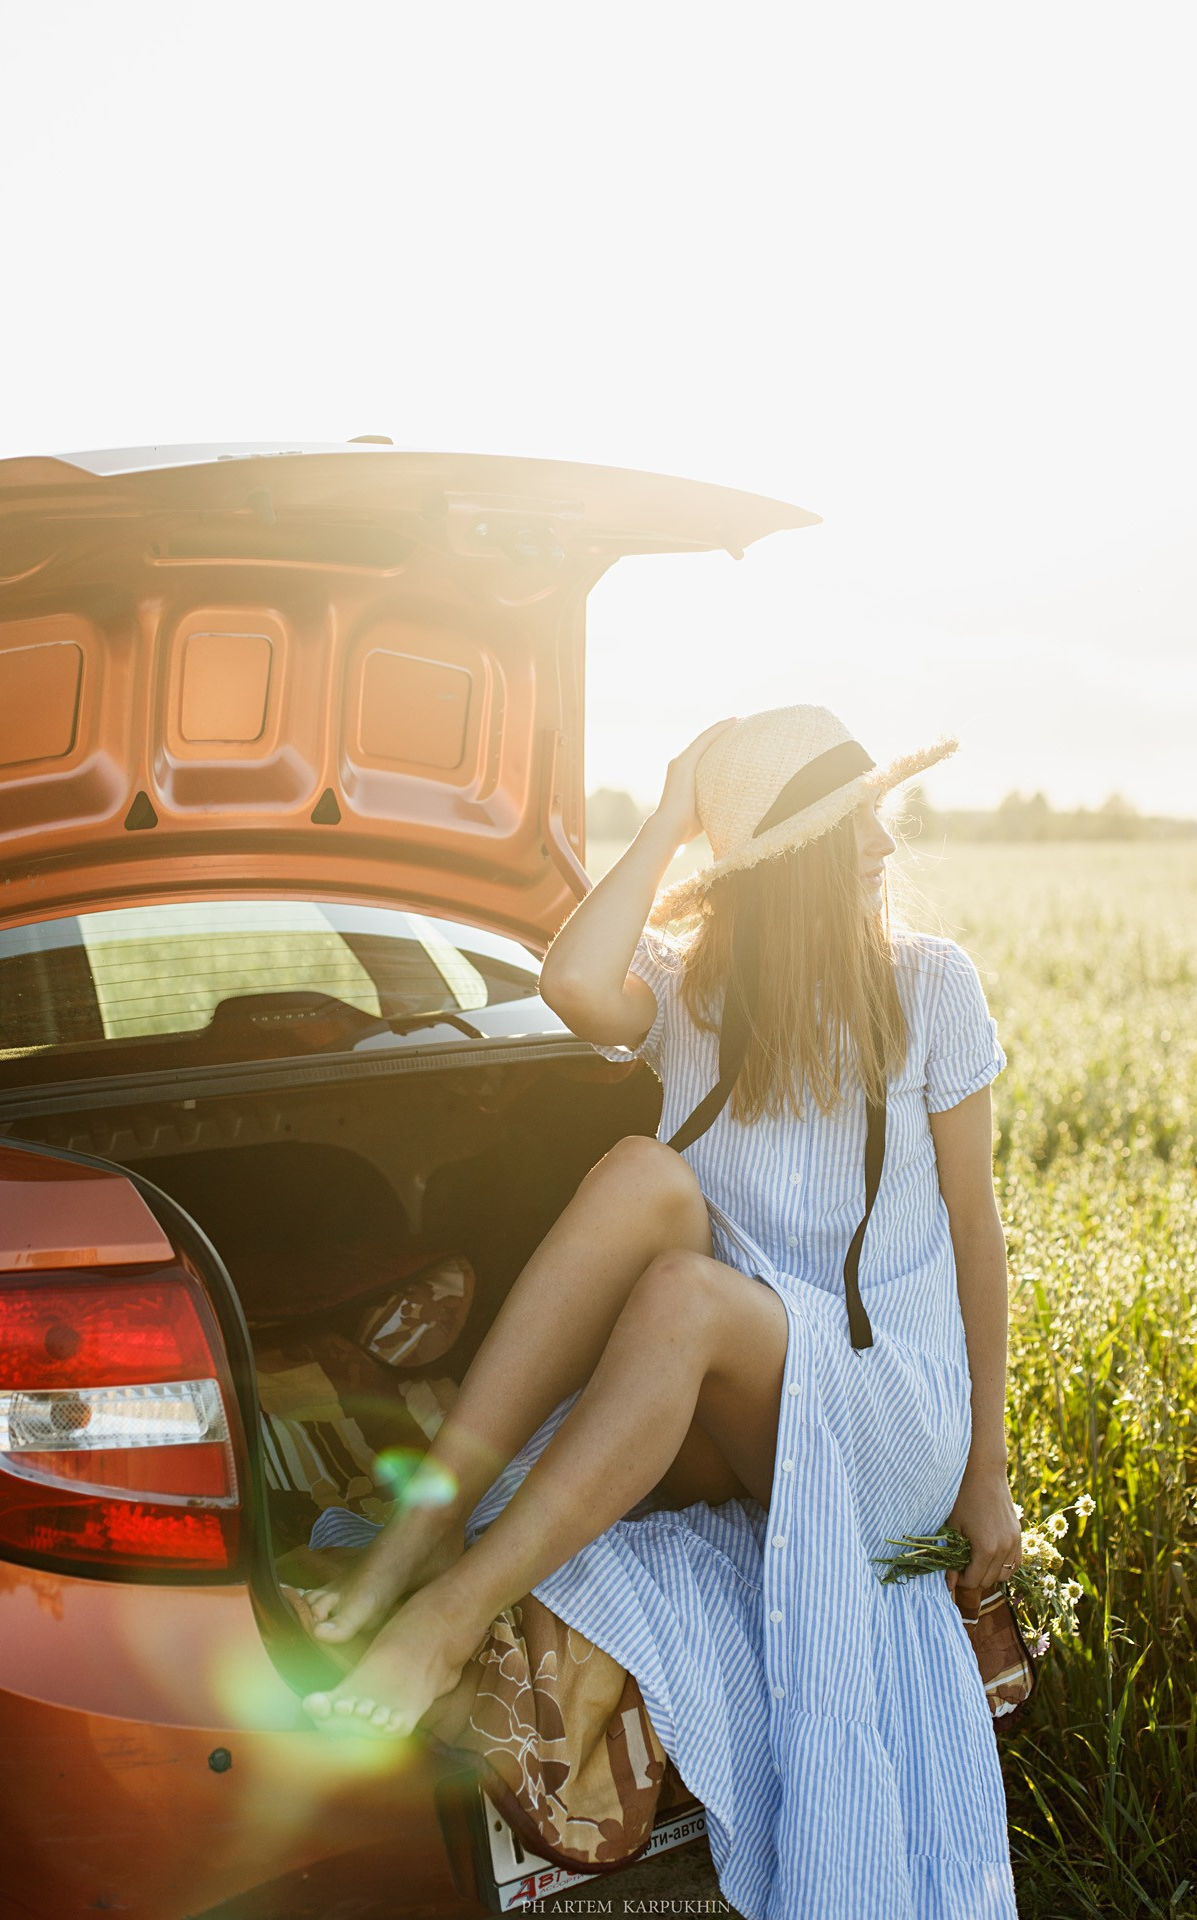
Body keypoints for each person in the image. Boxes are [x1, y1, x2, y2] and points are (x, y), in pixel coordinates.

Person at [300, 704, 1022, 1920]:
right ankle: (430, 1525)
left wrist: (985, 1467)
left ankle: (445, 1607)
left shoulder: (926, 987)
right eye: (851, 827)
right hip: (736, 1401)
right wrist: (681, 804)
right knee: (644, 1178)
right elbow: (570, 980)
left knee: (685, 1292)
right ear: (782, 867)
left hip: (883, 1414)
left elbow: (972, 1230)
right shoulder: (695, 994)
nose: (883, 850)